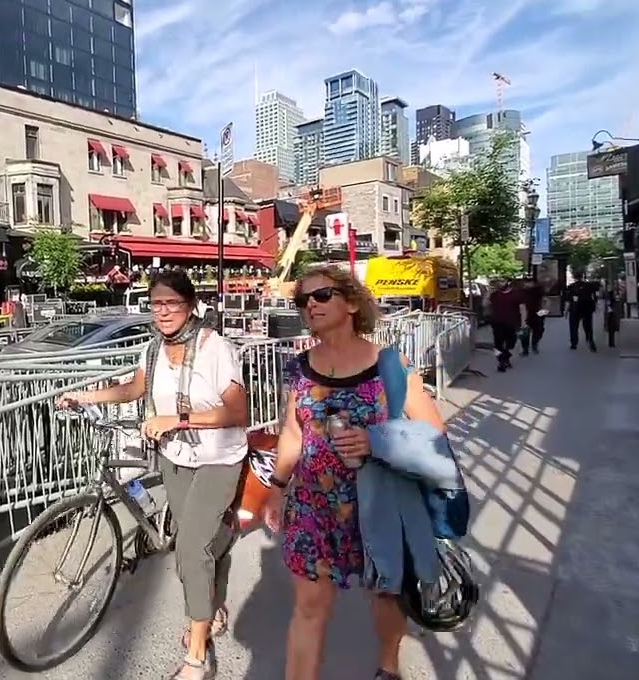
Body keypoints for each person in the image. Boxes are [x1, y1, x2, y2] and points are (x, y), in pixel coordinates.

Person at [58, 270, 247, 679]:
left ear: (190, 305)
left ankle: (196, 657)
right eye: (156, 303)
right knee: (192, 542)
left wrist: (177, 420)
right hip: (175, 457)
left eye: (172, 303)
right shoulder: (153, 348)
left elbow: (237, 412)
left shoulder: (214, 348)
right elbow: (133, 389)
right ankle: (212, 597)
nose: (163, 311)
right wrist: (83, 395)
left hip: (217, 458)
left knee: (190, 552)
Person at [261, 265, 446, 680]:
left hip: (377, 503)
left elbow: (434, 433)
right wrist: (277, 485)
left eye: (322, 295)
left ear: (350, 303)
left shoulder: (389, 364)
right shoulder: (299, 368)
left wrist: (375, 441)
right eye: (303, 300)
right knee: (308, 606)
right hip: (313, 504)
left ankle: (388, 665)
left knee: (385, 596)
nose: (311, 305)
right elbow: (293, 432)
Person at [486, 278, 523, 372]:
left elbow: (522, 308)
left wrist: (523, 322)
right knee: (498, 343)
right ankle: (501, 361)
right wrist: (488, 293)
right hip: (497, 322)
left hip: (512, 322)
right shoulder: (494, 295)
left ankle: (506, 356)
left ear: (507, 282)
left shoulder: (516, 294)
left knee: (511, 342)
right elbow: (484, 304)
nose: (500, 283)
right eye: (499, 281)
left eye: (502, 281)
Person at [564, 274, 598, 352]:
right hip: (587, 308)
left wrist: (566, 311)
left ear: (574, 278)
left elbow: (568, 300)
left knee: (573, 326)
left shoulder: (571, 287)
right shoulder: (589, 286)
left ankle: (574, 343)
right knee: (588, 326)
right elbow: (594, 296)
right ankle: (590, 341)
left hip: (575, 308)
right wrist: (594, 305)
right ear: (582, 277)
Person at [519, 278, 545, 356]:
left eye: (530, 283)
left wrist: (544, 311)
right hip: (526, 313)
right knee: (525, 332)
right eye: (526, 283)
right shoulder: (521, 292)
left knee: (538, 330)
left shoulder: (538, 290)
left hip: (537, 312)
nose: (528, 285)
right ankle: (525, 349)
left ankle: (534, 344)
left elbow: (544, 300)